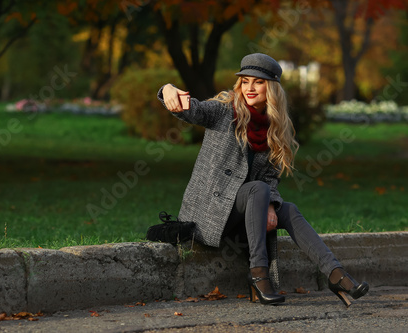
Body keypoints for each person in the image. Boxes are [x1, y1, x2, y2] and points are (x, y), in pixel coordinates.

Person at [157, 53, 369, 306]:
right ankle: (258, 274)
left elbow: (270, 177)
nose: (249, 88)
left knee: (288, 210)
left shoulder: (274, 127)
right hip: (209, 215)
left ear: (271, 87)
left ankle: (335, 274)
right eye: (244, 81)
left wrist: (270, 204)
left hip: (244, 213)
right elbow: (195, 111)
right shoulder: (224, 110)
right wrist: (167, 89)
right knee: (258, 189)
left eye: (257, 82)